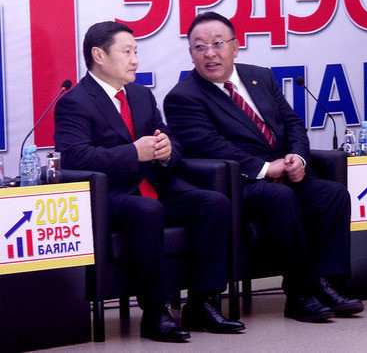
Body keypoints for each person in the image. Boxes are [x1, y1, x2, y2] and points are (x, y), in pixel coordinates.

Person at [163, 12, 363, 322]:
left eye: (217, 44)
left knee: (333, 194)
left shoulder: (260, 77)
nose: (209, 53)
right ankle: (300, 294)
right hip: (238, 183)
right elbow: (208, 145)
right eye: (199, 47)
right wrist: (265, 168)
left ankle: (328, 284)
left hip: (285, 171)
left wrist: (298, 158)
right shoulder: (183, 97)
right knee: (280, 197)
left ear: (235, 47)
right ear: (191, 54)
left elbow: (292, 123)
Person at [53, 21, 245, 342]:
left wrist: (167, 150)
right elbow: (75, 157)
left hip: (155, 188)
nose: (135, 60)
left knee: (214, 203)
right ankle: (157, 312)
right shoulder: (76, 101)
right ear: (99, 55)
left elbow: (170, 139)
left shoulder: (141, 95)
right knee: (147, 211)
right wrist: (133, 152)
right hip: (111, 197)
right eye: (127, 52)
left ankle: (203, 303)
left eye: (136, 52)